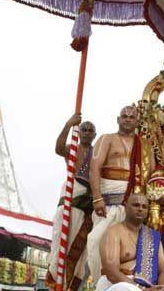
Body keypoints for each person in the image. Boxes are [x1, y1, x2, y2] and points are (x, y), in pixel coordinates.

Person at [87, 105, 146, 284]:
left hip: (133, 205)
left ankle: (128, 285)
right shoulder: (107, 139)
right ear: (118, 119)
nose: (128, 119)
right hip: (108, 204)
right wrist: (97, 198)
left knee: (129, 249)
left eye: (132, 117)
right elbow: (94, 168)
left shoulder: (144, 145)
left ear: (137, 121)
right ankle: (101, 284)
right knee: (97, 241)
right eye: (124, 116)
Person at [97, 194, 164, 291]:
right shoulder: (113, 232)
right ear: (126, 207)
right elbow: (111, 273)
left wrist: (161, 288)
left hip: (150, 285)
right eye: (136, 205)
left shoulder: (151, 236)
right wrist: (141, 288)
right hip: (120, 283)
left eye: (144, 206)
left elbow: (163, 270)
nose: (140, 209)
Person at [47, 114, 96, 291]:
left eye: (91, 130)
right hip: (69, 199)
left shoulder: (97, 153)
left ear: (94, 135)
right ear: (79, 131)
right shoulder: (72, 149)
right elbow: (58, 148)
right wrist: (68, 124)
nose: (87, 133)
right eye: (84, 129)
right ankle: (57, 283)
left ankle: (69, 286)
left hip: (87, 206)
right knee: (61, 241)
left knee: (81, 251)